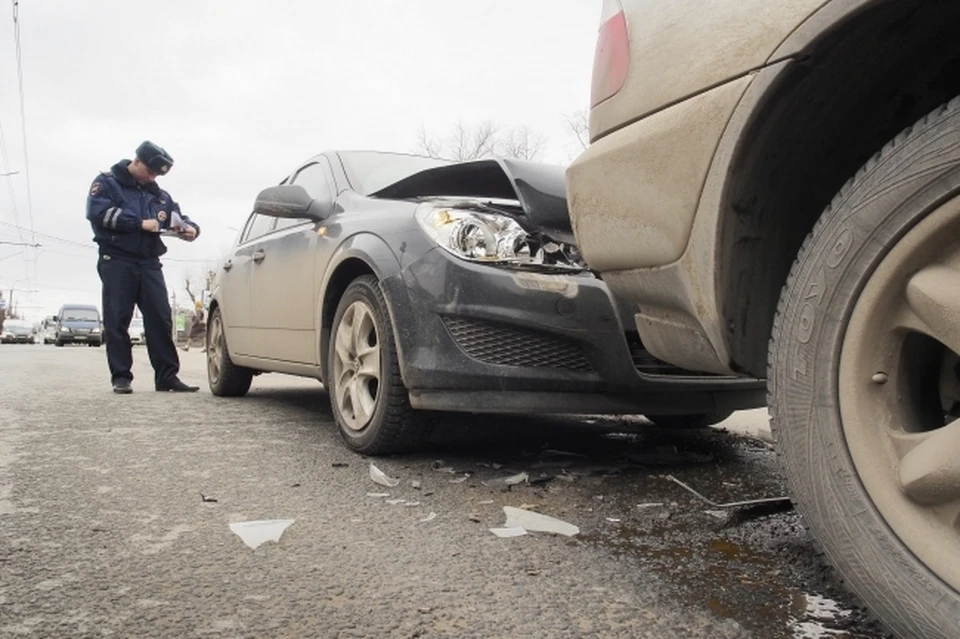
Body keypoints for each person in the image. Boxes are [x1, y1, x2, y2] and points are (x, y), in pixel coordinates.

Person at [86, 140, 201, 394]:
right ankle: (121, 377)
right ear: (136, 161)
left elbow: (176, 217)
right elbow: (98, 213)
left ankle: (167, 377)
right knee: (118, 319)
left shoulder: (158, 195)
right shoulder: (106, 182)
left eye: (156, 174)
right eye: (149, 171)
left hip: (149, 261)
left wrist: (190, 229)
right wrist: (139, 223)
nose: (152, 177)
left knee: (160, 318)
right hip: (116, 258)